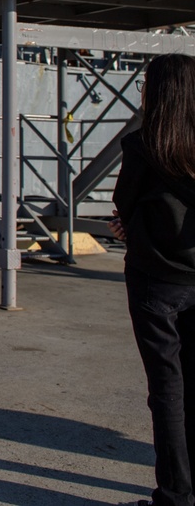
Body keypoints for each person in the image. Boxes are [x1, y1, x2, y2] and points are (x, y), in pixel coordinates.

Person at [111, 54, 195, 506]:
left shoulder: (144, 145)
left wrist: (130, 226)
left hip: (155, 282)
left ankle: (175, 496)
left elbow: (123, 206)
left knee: (166, 390)